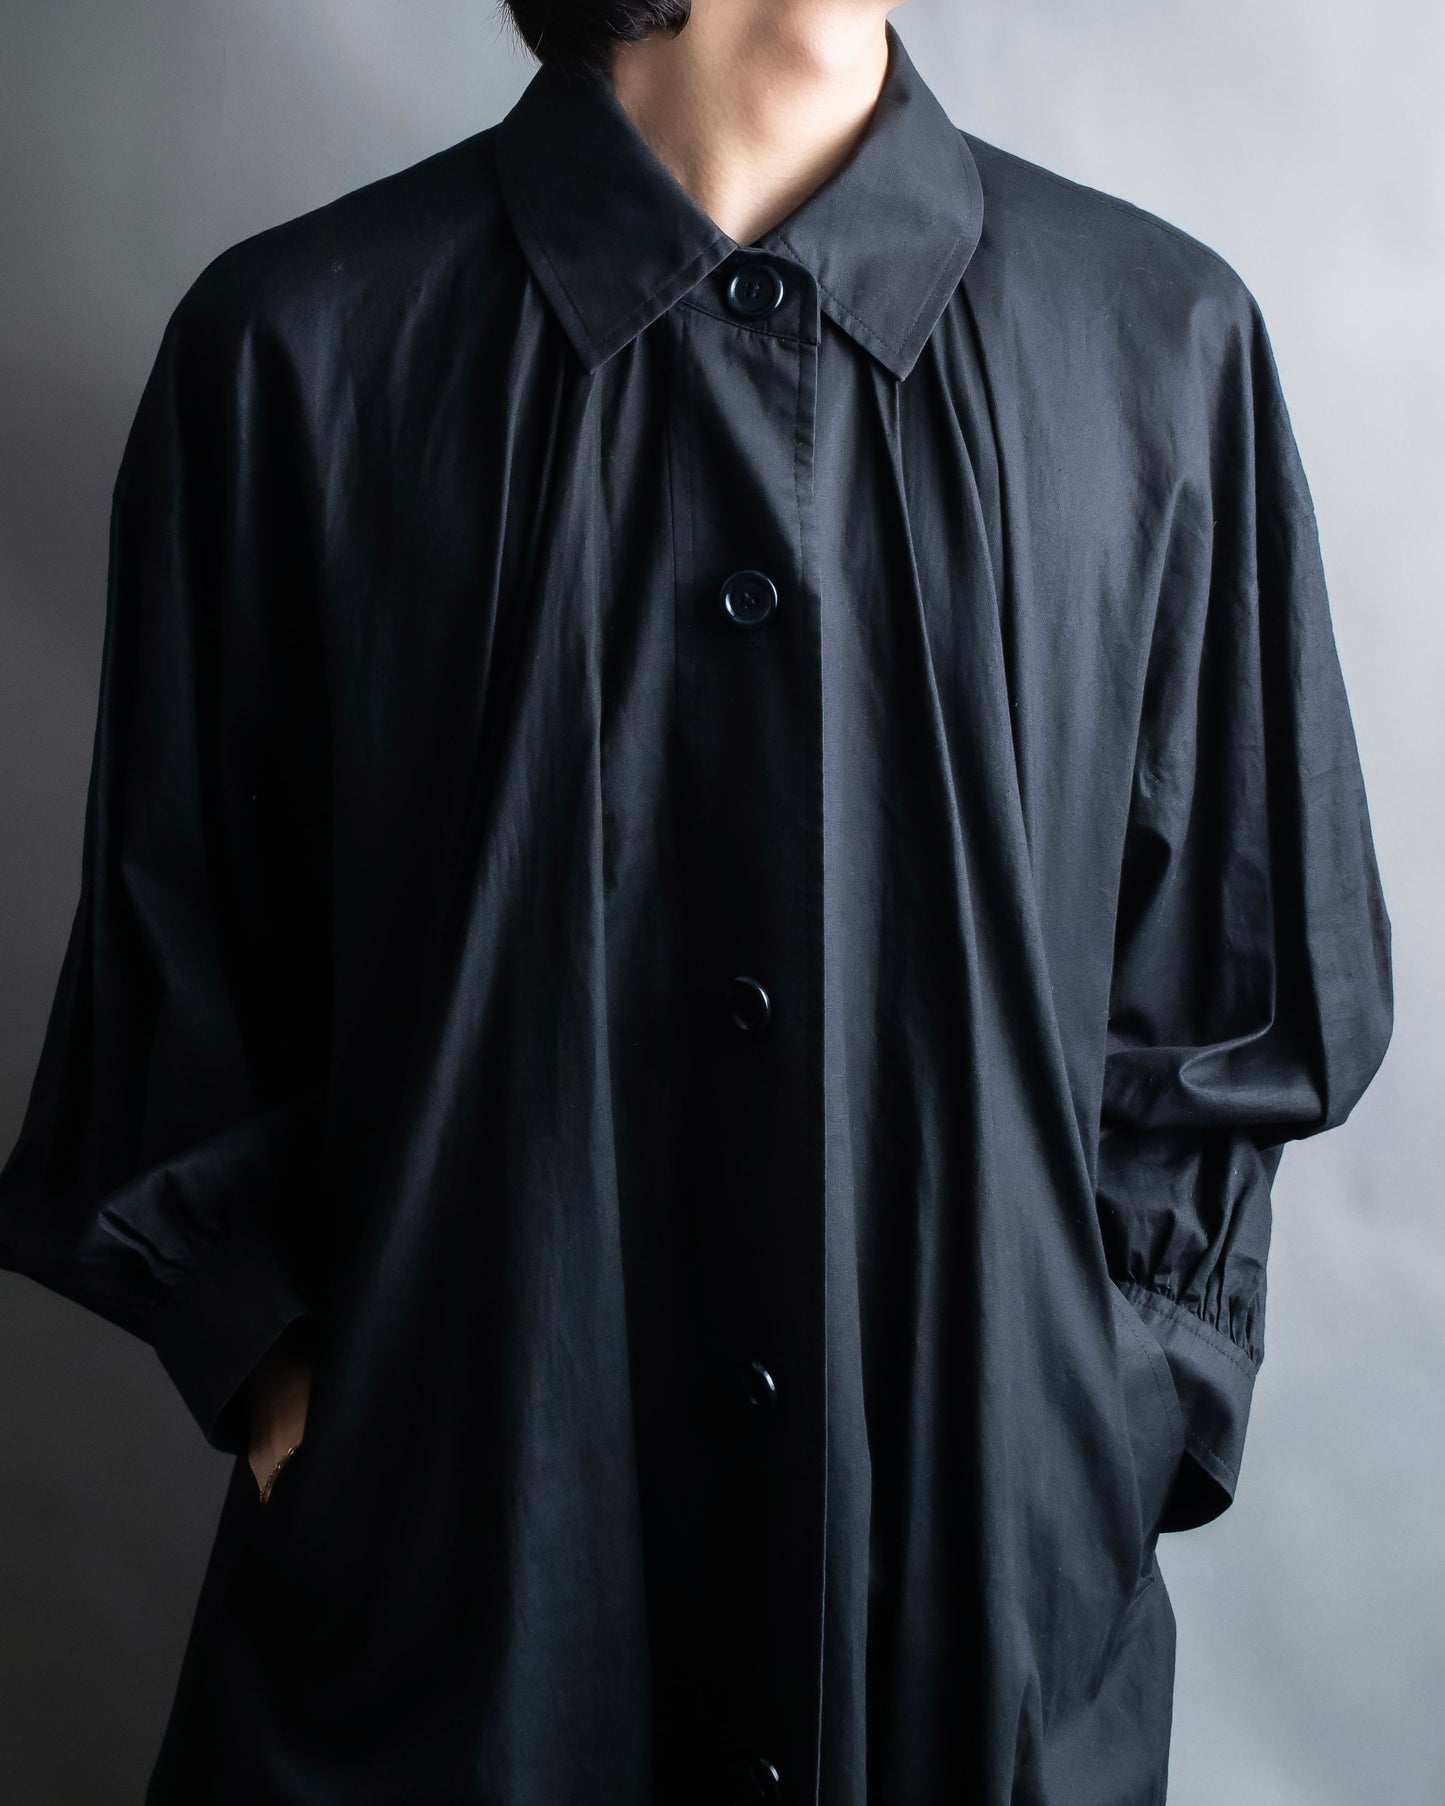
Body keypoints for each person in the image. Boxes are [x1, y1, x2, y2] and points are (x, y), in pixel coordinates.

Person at [0, 1, 1394, 1802]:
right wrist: (299, 1392)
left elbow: (1239, 983)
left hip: (969, 1643)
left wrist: (1088, 1427)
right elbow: (181, 956)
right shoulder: (301, 346)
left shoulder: (1152, 344)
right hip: (454, 1643)